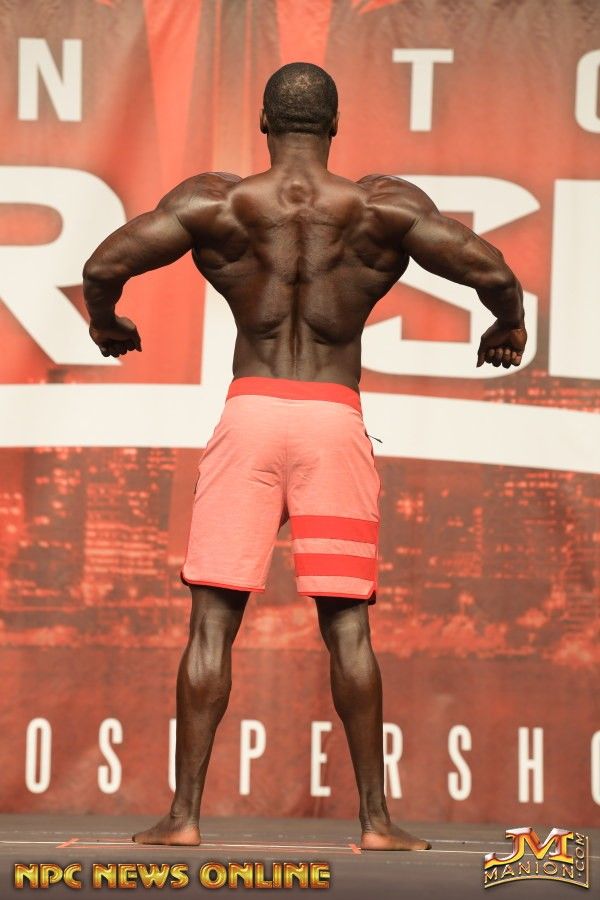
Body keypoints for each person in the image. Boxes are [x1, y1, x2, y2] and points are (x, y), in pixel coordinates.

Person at [83, 62, 526, 851]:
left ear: (264, 122)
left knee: (212, 624)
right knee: (348, 626)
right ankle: (376, 822)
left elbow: (102, 267)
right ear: (335, 125)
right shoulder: (381, 207)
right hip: (332, 421)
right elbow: (493, 272)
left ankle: (184, 817)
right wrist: (507, 325)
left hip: (250, 414)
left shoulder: (217, 202)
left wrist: (107, 323)